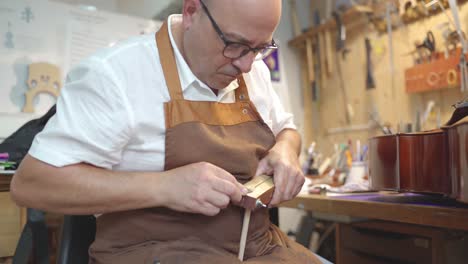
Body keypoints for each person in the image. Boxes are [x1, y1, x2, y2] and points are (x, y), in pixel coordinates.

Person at [11, 0, 324, 263]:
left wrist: (285, 150)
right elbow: (31, 184)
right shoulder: (116, 75)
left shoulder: (255, 71)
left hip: (260, 249)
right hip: (156, 252)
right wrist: (164, 187)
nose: (245, 65)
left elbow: (287, 128)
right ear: (191, 11)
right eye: (234, 45)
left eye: (259, 48)